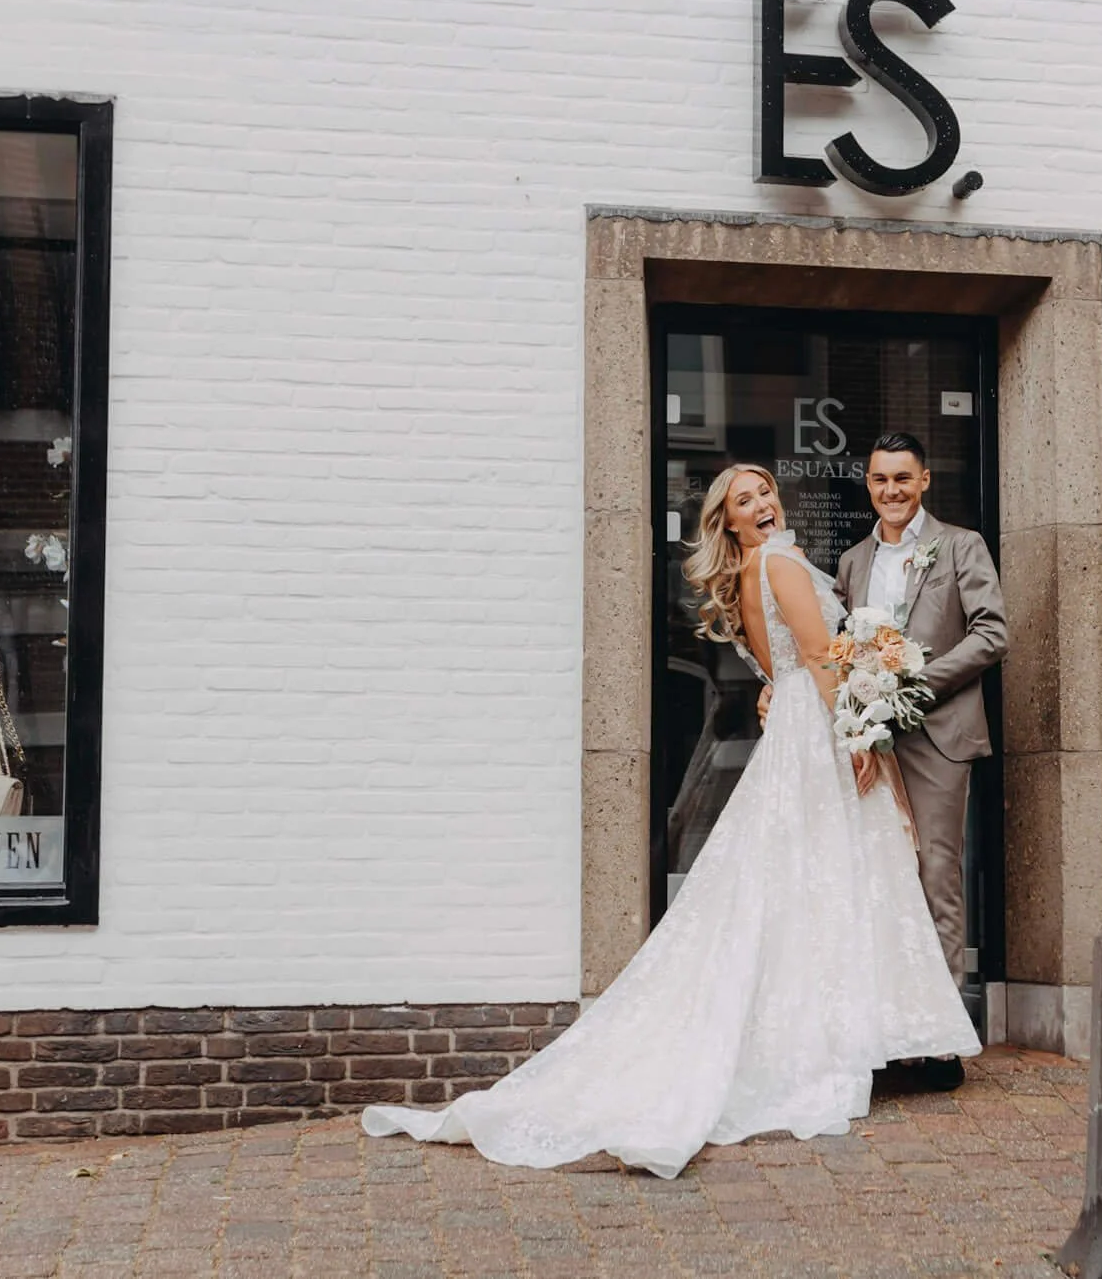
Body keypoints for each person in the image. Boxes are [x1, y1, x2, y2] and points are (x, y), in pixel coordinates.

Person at [362, 463, 976, 1178]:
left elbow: (781, 670)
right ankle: (825, 1043)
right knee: (830, 878)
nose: (763, 503)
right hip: (819, 735)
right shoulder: (778, 561)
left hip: (795, 730)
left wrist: (806, 688)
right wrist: (861, 735)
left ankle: (832, 1032)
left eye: (765, 491)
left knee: (802, 884)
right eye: (745, 500)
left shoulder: (756, 566)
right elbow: (814, 655)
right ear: (732, 522)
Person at [832, 434, 1007, 1092]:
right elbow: (844, 649)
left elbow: (993, 633)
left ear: (925, 480)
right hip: (874, 741)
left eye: (903, 479)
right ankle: (887, 1031)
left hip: (938, 735)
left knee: (936, 874)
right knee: (881, 878)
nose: (892, 491)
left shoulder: (962, 546)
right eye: (880, 481)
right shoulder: (852, 561)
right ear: (869, 485)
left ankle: (938, 1040)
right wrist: (856, 706)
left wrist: (917, 681)